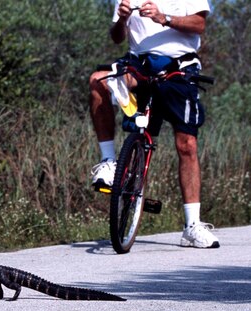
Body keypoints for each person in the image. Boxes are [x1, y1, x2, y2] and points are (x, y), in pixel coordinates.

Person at [89, 0, 219, 248]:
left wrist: (164, 18)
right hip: (139, 63)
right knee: (98, 81)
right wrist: (123, 19)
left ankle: (192, 226)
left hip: (179, 66)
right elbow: (117, 36)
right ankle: (108, 162)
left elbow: (199, 24)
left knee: (187, 144)